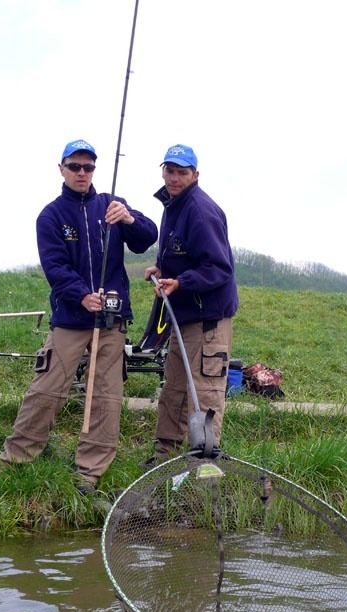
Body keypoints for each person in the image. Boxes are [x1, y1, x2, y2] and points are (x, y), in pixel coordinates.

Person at [0, 139, 158, 493]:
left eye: (88, 167)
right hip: (71, 319)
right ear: (62, 169)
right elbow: (54, 266)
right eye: (75, 167)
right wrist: (81, 296)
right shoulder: (51, 215)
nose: (82, 173)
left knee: (105, 396)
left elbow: (148, 237)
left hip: (111, 323)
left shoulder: (111, 205)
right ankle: (15, 460)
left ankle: (90, 471)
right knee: (46, 389)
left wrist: (129, 218)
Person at [143, 144, 239, 463]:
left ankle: (204, 462)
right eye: (169, 170)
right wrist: (163, 271)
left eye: (182, 172)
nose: (174, 177)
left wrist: (181, 282)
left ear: (195, 175)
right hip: (183, 316)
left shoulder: (200, 209)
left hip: (208, 319)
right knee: (175, 388)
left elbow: (218, 267)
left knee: (206, 392)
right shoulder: (173, 205)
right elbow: (182, 254)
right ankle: (164, 455)